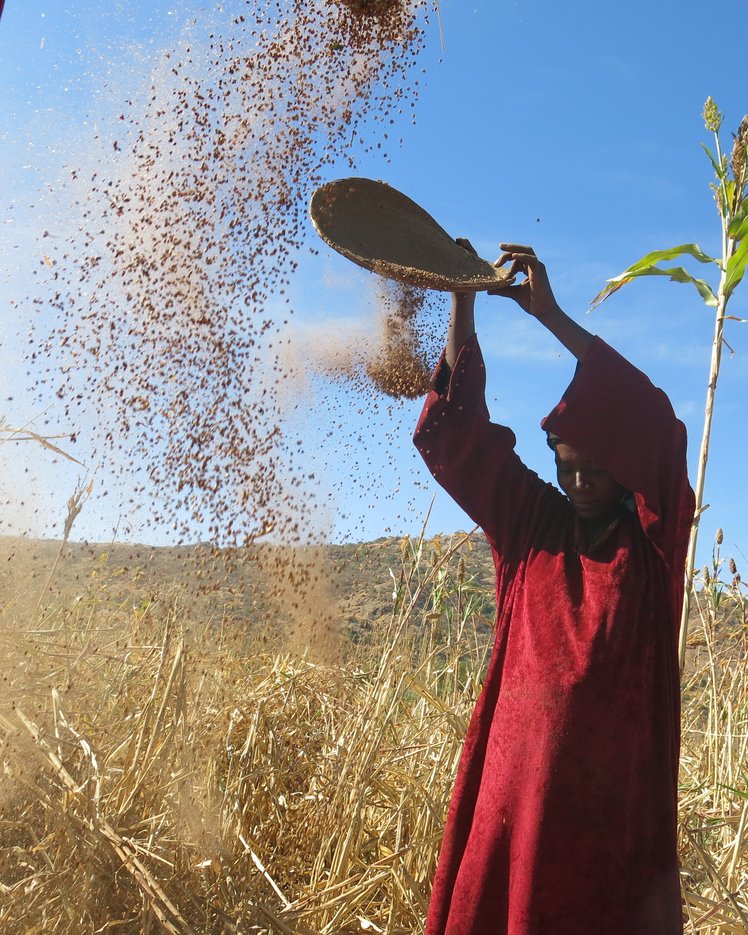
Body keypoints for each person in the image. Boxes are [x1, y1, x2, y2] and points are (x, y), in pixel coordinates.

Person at [413, 243, 695, 935]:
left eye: (595, 467)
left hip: (607, 829)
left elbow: (655, 421)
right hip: (515, 812)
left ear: (624, 466)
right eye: (566, 466)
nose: (578, 483)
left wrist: (553, 318)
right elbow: (458, 440)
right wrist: (463, 299)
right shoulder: (534, 525)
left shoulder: (651, 549)